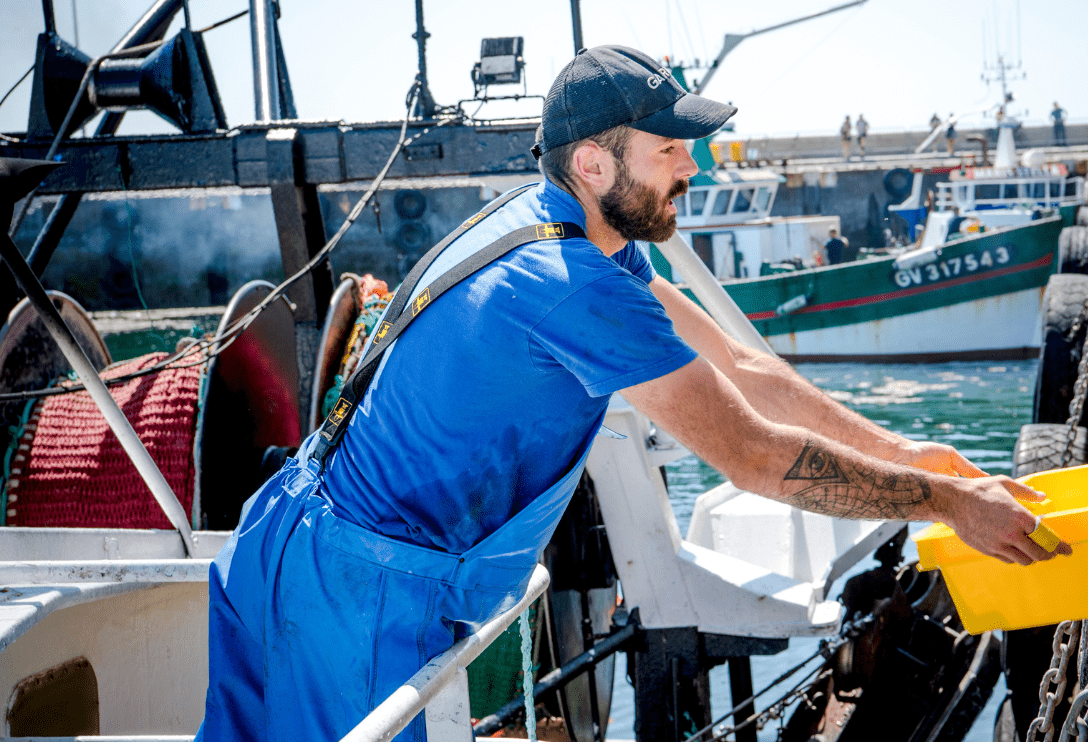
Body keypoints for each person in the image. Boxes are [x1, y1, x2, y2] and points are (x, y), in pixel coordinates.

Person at [194, 45, 1069, 742]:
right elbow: (756, 457)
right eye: (669, 149)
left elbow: (743, 369)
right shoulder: (571, 280)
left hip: (288, 535)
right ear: (593, 161)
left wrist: (909, 454)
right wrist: (946, 502)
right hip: (356, 590)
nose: (693, 166)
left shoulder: (575, 231)